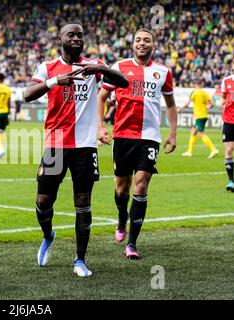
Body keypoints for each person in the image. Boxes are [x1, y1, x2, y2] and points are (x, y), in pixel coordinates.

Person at [24, 21, 128, 277]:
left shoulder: (92, 66)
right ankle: (48, 236)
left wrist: (100, 68)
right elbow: (28, 94)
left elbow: (123, 82)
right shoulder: (47, 67)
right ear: (60, 38)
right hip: (56, 144)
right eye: (71, 34)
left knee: (83, 202)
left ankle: (79, 260)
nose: (76, 38)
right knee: (43, 201)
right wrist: (53, 82)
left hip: (84, 147)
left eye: (80, 35)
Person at [97, 28, 178, 259]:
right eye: (138, 40)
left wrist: (172, 134)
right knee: (122, 189)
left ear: (154, 45)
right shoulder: (119, 68)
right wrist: (100, 127)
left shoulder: (162, 71)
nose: (142, 43)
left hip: (150, 138)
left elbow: (171, 105)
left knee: (140, 186)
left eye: (147, 40)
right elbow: (101, 96)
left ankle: (131, 244)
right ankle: (122, 218)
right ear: (133, 45)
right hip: (122, 136)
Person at [178, 79, 218, 158]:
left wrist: (180, 109)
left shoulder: (195, 92)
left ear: (195, 84)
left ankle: (213, 150)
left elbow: (187, 103)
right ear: (201, 84)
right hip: (204, 115)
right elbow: (212, 104)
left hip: (199, 116)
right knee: (193, 131)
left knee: (201, 134)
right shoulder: (204, 93)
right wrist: (205, 107)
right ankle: (189, 152)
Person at [220, 66, 234, 192]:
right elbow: (223, 96)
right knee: (229, 149)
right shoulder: (226, 81)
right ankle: (231, 181)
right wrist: (222, 102)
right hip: (229, 120)